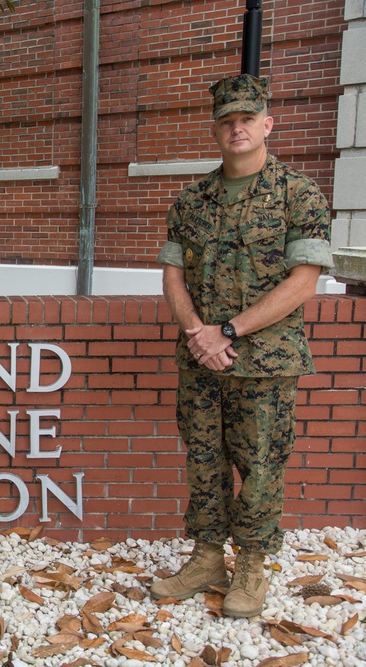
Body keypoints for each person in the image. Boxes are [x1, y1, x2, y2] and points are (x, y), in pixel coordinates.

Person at [152, 74, 333, 617]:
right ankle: (207, 558)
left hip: (264, 364)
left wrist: (226, 331)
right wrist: (197, 334)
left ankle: (251, 567)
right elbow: (172, 276)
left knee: (260, 465)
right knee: (204, 462)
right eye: (227, 121)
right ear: (216, 129)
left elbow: (304, 281)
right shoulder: (191, 199)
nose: (237, 128)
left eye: (247, 120)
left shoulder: (297, 193)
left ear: (266, 125)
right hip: (202, 361)